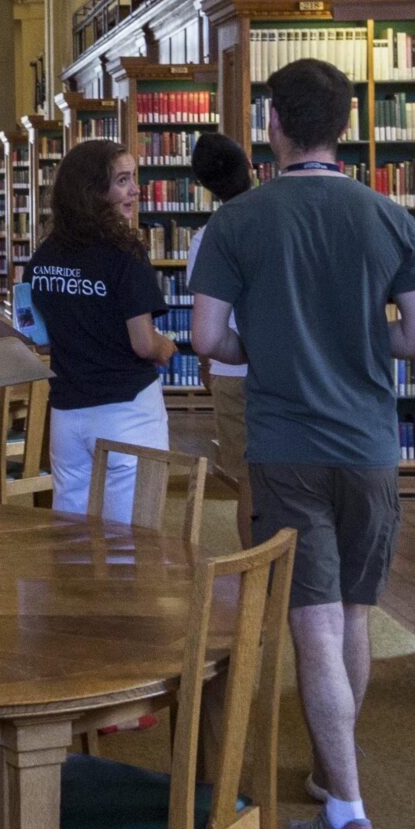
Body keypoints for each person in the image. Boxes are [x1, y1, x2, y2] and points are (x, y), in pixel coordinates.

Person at [189, 58, 415, 829]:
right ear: (344, 126)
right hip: (370, 447)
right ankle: (333, 778)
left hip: (287, 448)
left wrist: (264, 348)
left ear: (274, 124)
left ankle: (349, 815)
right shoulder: (391, 218)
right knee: (354, 619)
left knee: (311, 626)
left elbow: (206, 340)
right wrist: (366, 346)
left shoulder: (241, 222)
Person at [23, 139, 178, 520]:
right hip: (125, 411)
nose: (134, 190)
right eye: (123, 180)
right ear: (94, 193)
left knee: (70, 529)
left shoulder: (44, 256)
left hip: (67, 412)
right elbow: (143, 343)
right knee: (131, 535)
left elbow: (34, 337)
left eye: (133, 179)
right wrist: (167, 349)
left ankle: (73, 584)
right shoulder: (124, 252)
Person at [187, 130, 258, 542]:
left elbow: (208, 320)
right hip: (287, 366)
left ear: (204, 187)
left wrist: (206, 363)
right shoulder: (279, 221)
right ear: (250, 166)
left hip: (231, 371)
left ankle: (256, 577)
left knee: (248, 483)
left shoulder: (206, 238)